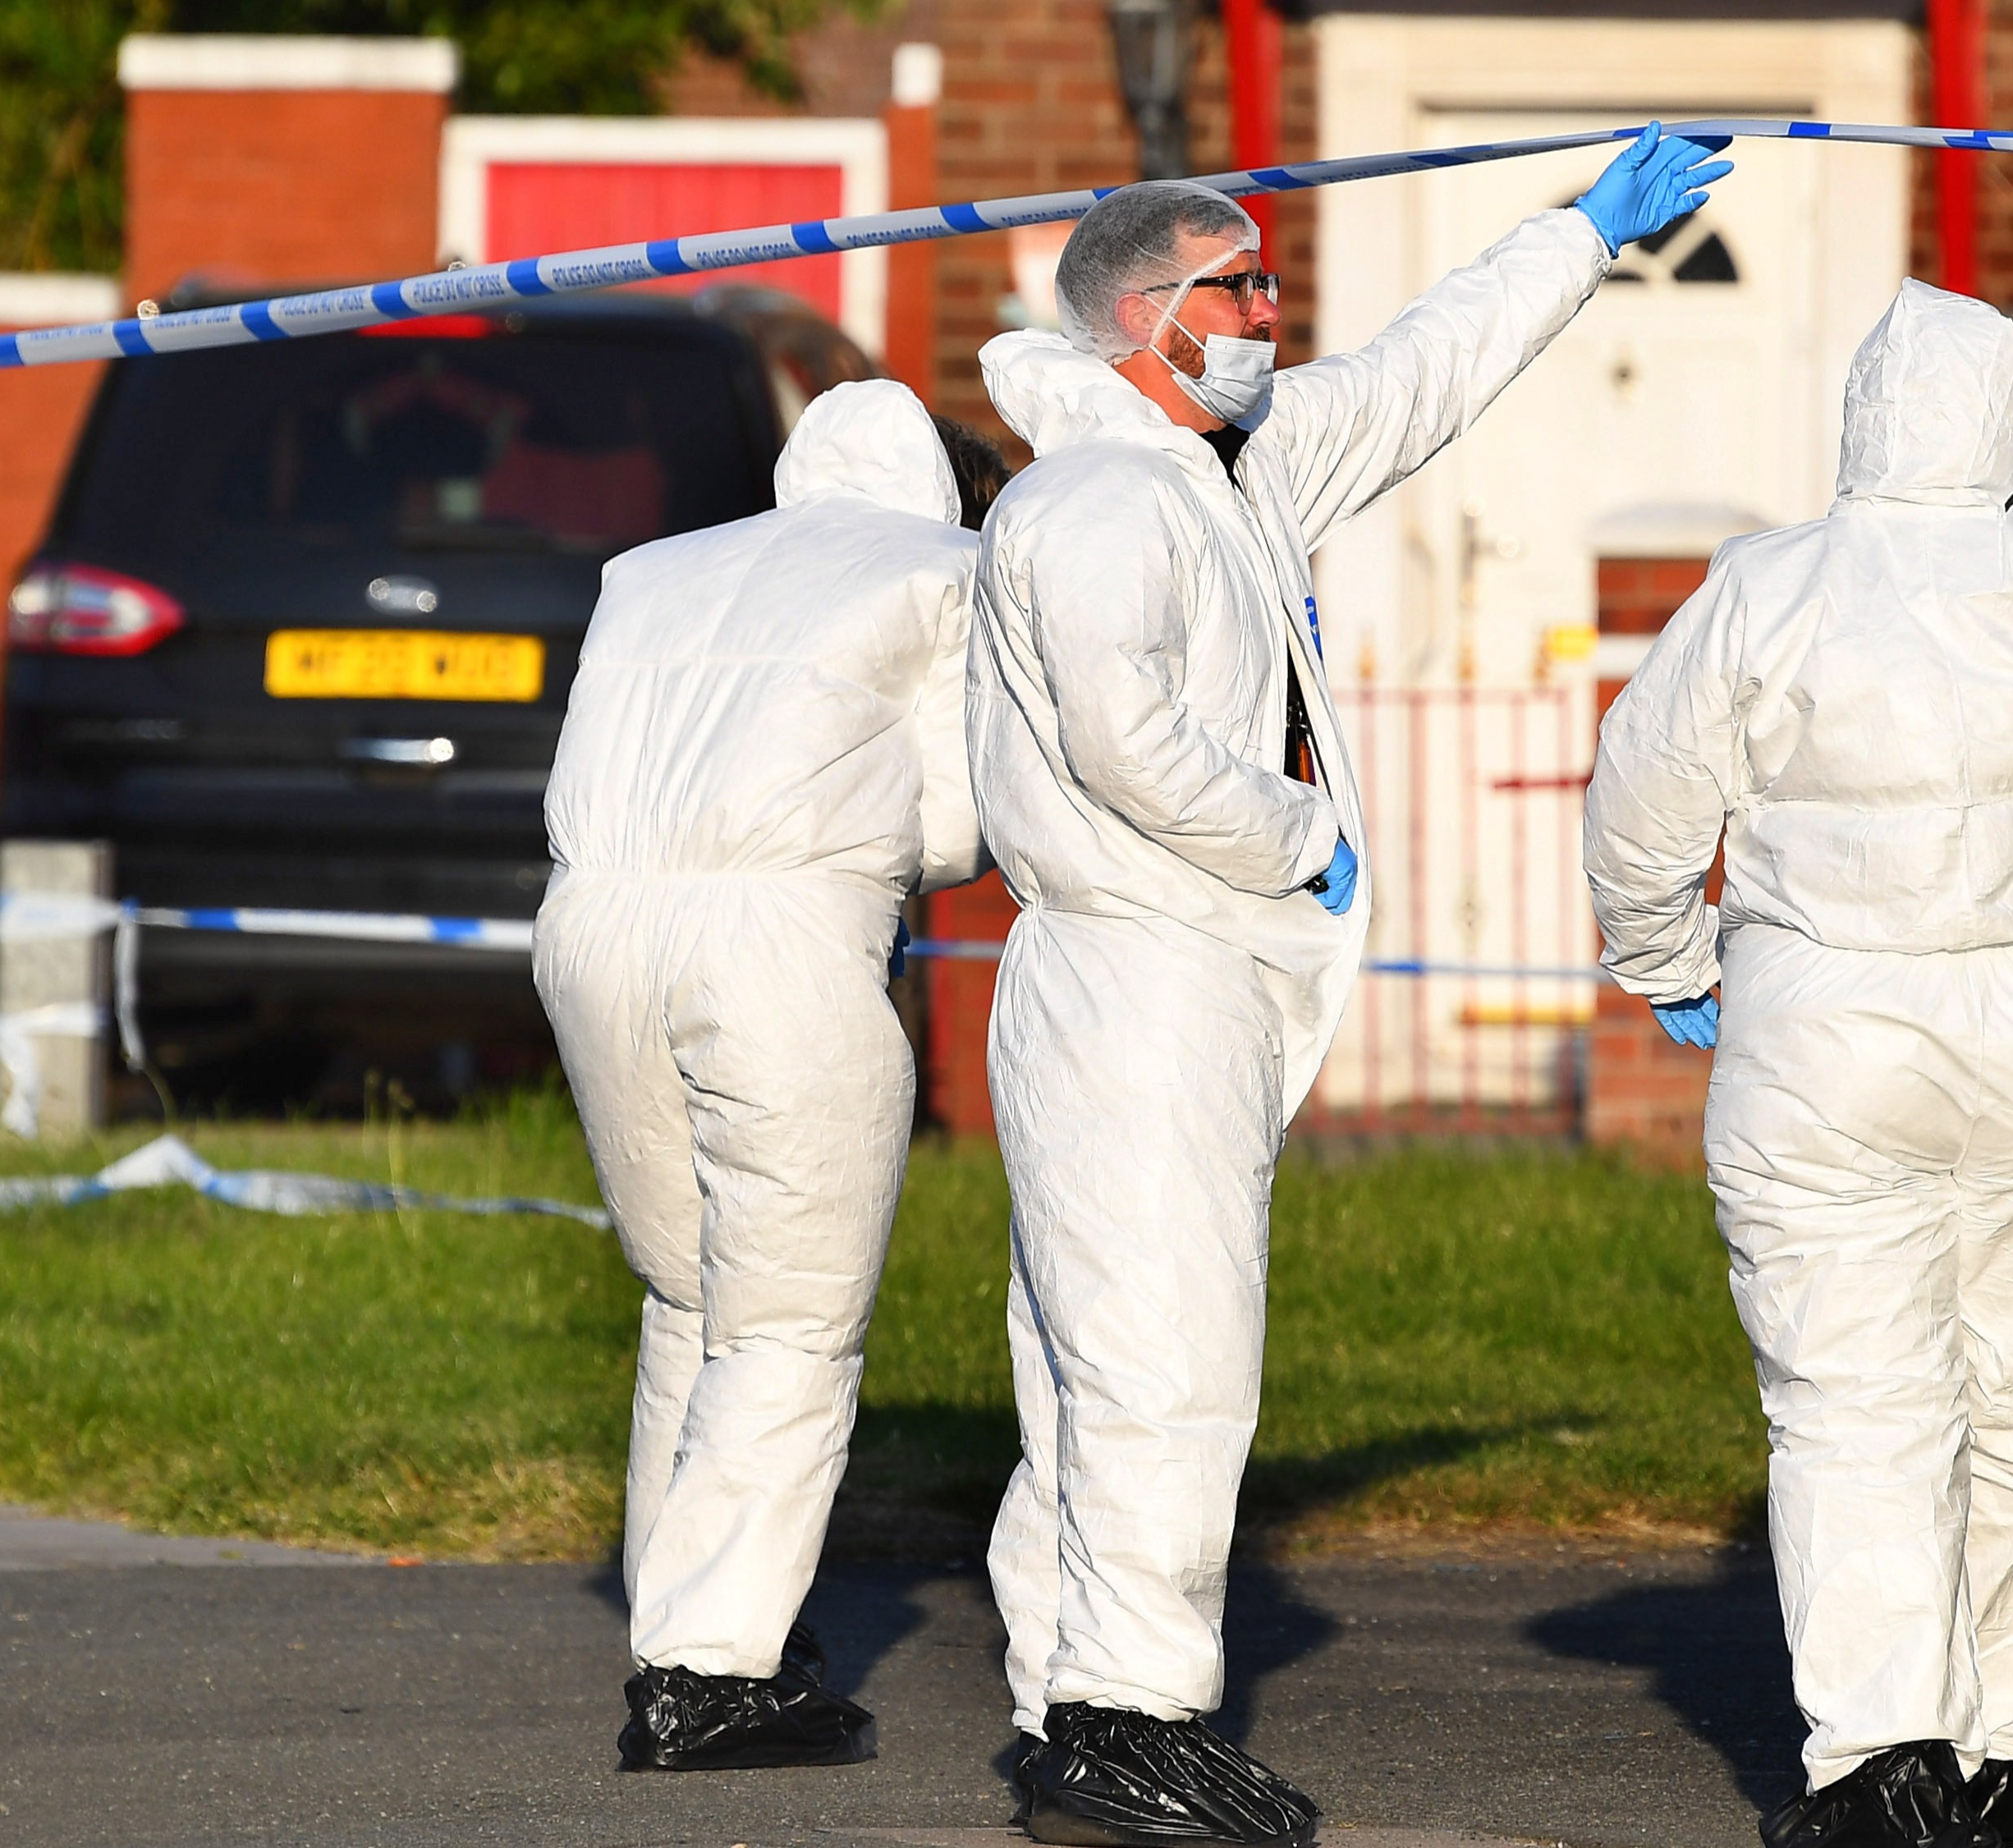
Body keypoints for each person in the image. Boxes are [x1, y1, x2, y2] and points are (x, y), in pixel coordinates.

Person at [968, 125, 1731, 1848]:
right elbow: (1126, 740)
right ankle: (1124, 1720)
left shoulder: (1226, 470)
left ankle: (1074, 1702)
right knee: (1163, 1359)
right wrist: (1299, 835)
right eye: (1237, 282)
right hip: (1139, 966)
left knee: (1103, 1364)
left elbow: (1418, 377)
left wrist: (1580, 236)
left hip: (1196, 970)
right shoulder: (1095, 499)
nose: (1271, 304)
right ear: (1145, 315)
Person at [1580, 138, 2013, 1848]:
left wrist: (1670, 963)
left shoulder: (1764, 585)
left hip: (1830, 1020)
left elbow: (1640, 809)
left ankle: (1887, 1753)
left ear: (1860, 425)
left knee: (1853, 1398)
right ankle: (2009, 1745)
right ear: (2008, 427)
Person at [535, 378, 1002, 1772]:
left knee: (689, 1296)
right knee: (791, 1324)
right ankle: (713, 1670)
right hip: (782, 936)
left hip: (589, 927)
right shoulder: (947, 568)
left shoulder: (655, 567)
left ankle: (683, 1613)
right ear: (956, 495)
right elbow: (955, 829)